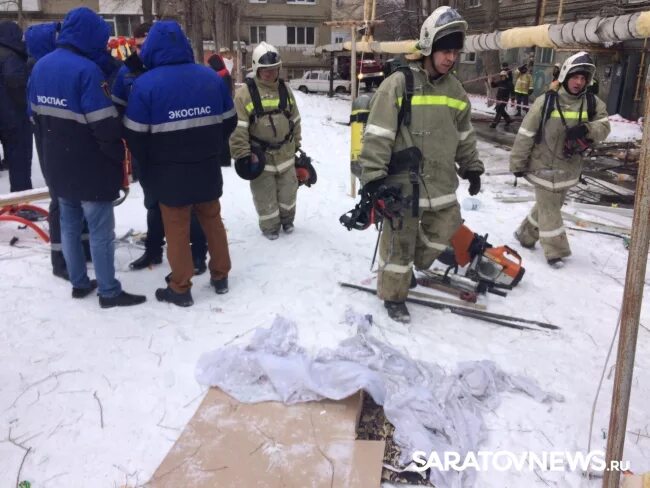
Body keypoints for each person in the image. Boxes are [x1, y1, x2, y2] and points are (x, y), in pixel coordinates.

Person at [357, 6, 483, 323]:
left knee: (447, 223)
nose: (450, 58)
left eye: (455, 51)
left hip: (440, 184)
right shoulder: (399, 84)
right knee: (399, 241)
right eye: (445, 50)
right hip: (402, 185)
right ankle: (394, 295)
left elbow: (465, 134)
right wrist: (372, 177)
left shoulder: (456, 91)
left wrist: (472, 166)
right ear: (428, 46)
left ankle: (405, 267)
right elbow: (378, 134)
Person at [28, 7, 146, 308]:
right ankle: (108, 291)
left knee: (68, 222)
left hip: (56, 161)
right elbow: (104, 124)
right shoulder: (86, 71)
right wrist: (118, 154)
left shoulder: (41, 66)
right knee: (100, 231)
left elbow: (34, 114)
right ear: (90, 35)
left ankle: (79, 282)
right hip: (89, 165)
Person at [124, 20, 236, 307]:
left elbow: (135, 134)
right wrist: (211, 145)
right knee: (212, 220)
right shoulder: (210, 78)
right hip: (206, 166)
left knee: (176, 228)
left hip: (169, 171)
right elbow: (229, 120)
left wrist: (150, 160)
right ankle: (220, 276)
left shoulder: (145, 85)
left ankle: (180, 287)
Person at [112, 22, 209, 274]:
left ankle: (198, 254)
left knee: (192, 204)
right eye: (140, 47)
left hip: (180, 151)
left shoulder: (178, 71)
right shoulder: (127, 72)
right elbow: (119, 109)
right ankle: (153, 249)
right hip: (147, 153)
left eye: (148, 45)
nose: (145, 52)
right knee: (153, 204)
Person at [510, 51, 610, 268]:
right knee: (550, 210)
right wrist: (517, 163)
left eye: (583, 78)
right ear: (566, 75)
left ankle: (525, 235)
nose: (579, 82)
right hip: (542, 166)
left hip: (569, 168)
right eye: (575, 77)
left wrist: (587, 129)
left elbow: (604, 126)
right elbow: (526, 134)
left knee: (548, 206)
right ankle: (556, 251)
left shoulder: (592, 103)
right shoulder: (545, 102)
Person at [230, 41, 302, 240]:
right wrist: (242, 155)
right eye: (265, 70)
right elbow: (239, 128)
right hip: (260, 157)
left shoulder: (285, 90)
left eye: (274, 69)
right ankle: (270, 227)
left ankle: (287, 220)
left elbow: (294, 118)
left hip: (286, 154)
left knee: (288, 192)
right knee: (265, 195)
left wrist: (297, 143)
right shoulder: (244, 94)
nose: (270, 74)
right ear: (256, 68)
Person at [0, 21, 32, 192]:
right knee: (19, 158)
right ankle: (22, 199)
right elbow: (15, 81)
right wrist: (24, 105)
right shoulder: (11, 56)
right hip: (12, 115)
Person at [208, 52, 234, 167]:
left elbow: (223, 92)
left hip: (222, 109)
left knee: (223, 136)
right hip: (223, 108)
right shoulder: (223, 74)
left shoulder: (221, 76)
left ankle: (224, 159)